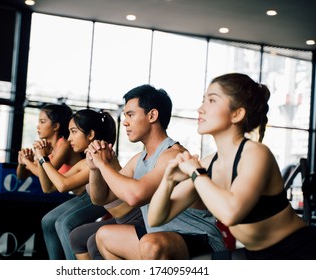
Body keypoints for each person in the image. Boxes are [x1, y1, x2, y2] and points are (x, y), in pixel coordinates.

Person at [148, 73, 316, 259]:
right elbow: (156, 218)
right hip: (257, 255)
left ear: (236, 114)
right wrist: (168, 180)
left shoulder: (256, 154)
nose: (200, 109)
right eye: (203, 100)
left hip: (300, 252)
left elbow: (231, 213)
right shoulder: (208, 164)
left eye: (211, 100)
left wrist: (195, 173)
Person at [85, 84, 225, 260]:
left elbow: (135, 195)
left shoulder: (173, 155)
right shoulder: (139, 159)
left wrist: (103, 164)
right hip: (159, 238)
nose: (125, 121)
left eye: (130, 114)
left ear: (152, 115)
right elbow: (101, 198)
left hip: (199, 239)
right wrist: (94, 168)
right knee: (105, 236)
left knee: (151, 244)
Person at [33, 109, 116, 260]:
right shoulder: (84, 161)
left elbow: (62, 185)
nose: (69, 138)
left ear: (90, 135)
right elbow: (48, 187)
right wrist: (41, 159)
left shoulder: (100, 156)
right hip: (89, 198)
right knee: (48, 221)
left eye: (73, 132)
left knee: (64, 223)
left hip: (105, 202)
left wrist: (44, 159)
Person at [16, 103, 80, 180]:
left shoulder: (64, 145)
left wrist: (26, 161)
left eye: (42, 122)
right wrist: (21, 163)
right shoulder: (47, 148)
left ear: (56, 126)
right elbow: (22, 176)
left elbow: (45, 174)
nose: (38, 126)